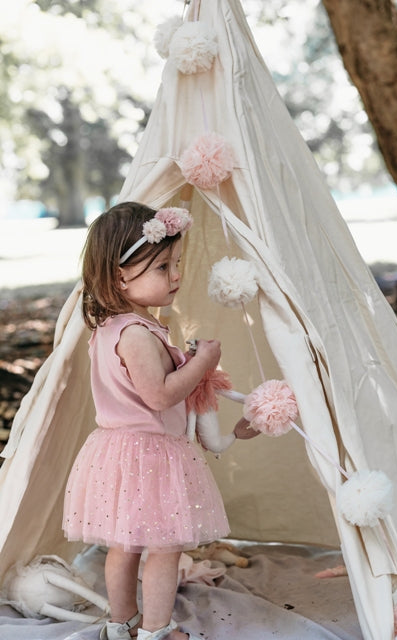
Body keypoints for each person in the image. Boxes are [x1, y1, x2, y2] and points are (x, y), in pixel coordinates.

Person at [62, 201, 258, 640]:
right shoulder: (135, 334)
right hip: (149, 454)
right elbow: (160, 395)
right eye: (162, 266)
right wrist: (203, 361)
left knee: (124, 545)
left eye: (177, 264)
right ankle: (155, 630)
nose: (175, 276)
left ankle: (121, 622)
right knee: (164, 549)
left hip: (118, 452)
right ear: (119, 276)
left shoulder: (112, 329)